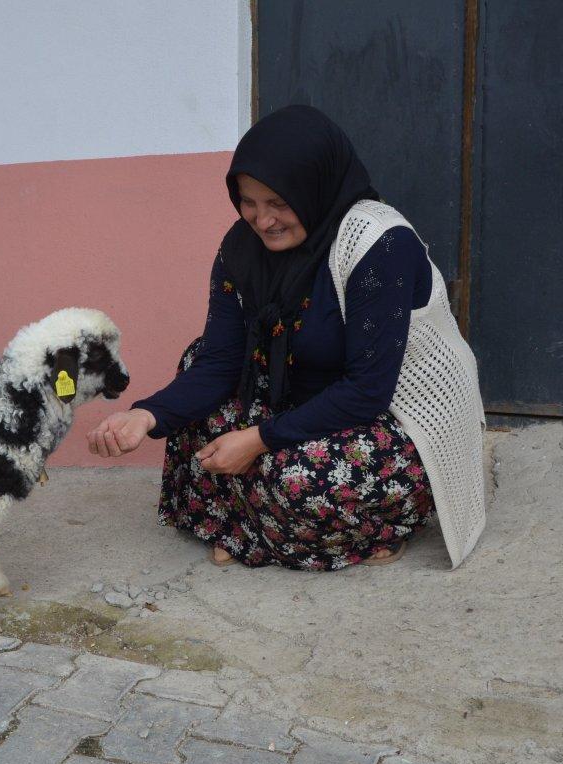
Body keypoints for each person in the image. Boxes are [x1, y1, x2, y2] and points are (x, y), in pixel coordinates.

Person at [87, 105, 485, 570]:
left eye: (279, 203)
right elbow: (218, 360)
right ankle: (264, 524)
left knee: (299, 478)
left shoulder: (379, 244)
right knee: (196, 371)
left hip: (392, 419)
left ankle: (303, 527)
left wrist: (258, 438)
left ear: (313, 189)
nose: (263, 220)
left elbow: (366, 391)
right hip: (299, 398)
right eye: (248, 202)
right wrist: (146, 416)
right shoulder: (241, 247)